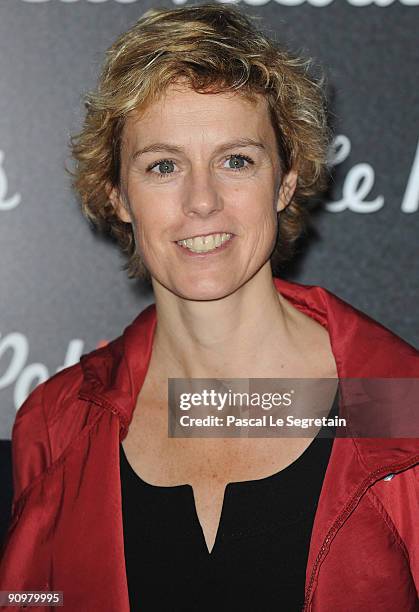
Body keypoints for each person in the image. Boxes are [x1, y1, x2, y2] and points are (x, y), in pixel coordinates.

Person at [0, 4, 418, 612]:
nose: (202, 202)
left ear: (285, 182)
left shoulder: (394, 405)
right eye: (163, 166)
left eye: (236, 160)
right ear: (117, 194)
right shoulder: (57, 426)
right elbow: (30, 599)